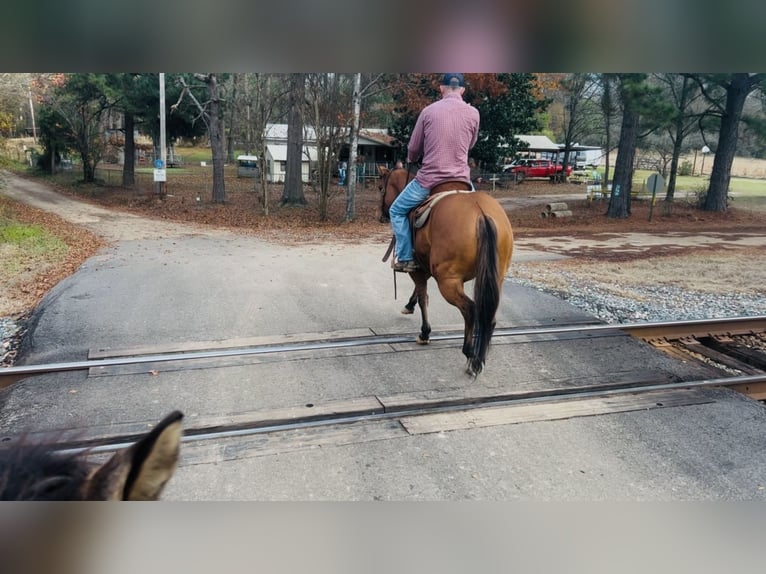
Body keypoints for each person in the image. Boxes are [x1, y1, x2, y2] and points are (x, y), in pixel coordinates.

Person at [389, 73, 479, 272]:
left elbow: (413, 148)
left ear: (441, 88)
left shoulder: (428, 112)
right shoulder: (474, 113)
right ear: (463, 90)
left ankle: (404, 258)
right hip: (462, 180)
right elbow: (471, 143)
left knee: (396, 210)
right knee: (479, 210)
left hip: (430, 180)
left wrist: (412, 159)